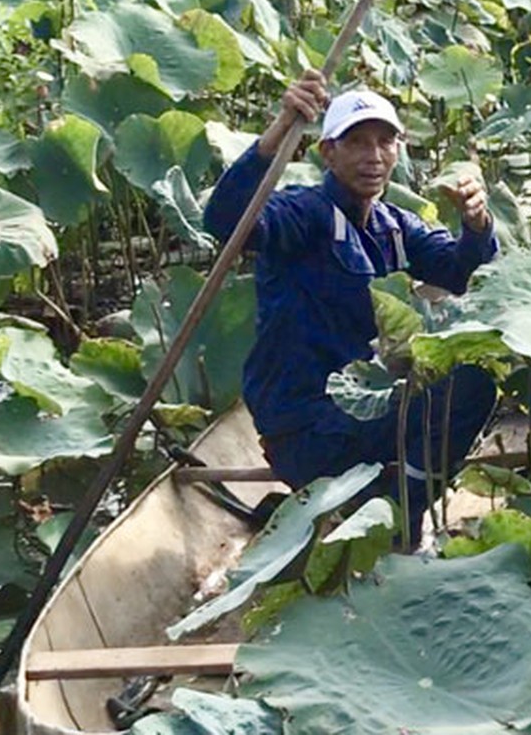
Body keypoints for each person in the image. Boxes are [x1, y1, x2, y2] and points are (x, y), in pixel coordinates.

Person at [203, 69, 498, 546]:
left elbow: (465, 274)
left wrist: (478, 222)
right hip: (306, 426)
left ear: (399, 150)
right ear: (328, 152)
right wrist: (278, 130)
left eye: (385, 142)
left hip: (363, 407)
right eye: (357, 143)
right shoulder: (304, 215)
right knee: (440, 398)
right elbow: (226, 220)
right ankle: (397, 514)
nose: (374, 156)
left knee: (474, 382)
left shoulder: (395, 225)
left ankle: (401, 505)